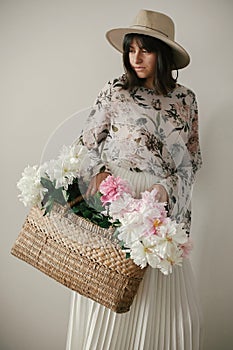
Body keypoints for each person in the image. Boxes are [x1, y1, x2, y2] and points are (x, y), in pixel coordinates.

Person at [66, 9, 203, 350]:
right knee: (108, 297)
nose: (136, 58)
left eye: (146, 49)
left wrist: (165, 189)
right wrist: (99, 174)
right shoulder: (116, 91)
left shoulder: (185, 100)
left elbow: (192, 162)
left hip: (160, 208)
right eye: (131, 49)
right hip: (116, 198)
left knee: (170, 308)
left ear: (164, 53)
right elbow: (85, 143)